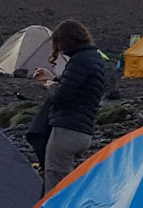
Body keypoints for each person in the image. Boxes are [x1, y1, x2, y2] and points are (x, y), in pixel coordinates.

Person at [32, 20, 108, 194]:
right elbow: (77, 91)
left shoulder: (79, 61)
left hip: (66, 132)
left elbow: (61, 98)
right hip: (83, 130)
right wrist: (53, 78)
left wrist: (50, 85)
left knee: (56, 182)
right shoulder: (93, 58)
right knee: (64, 179)